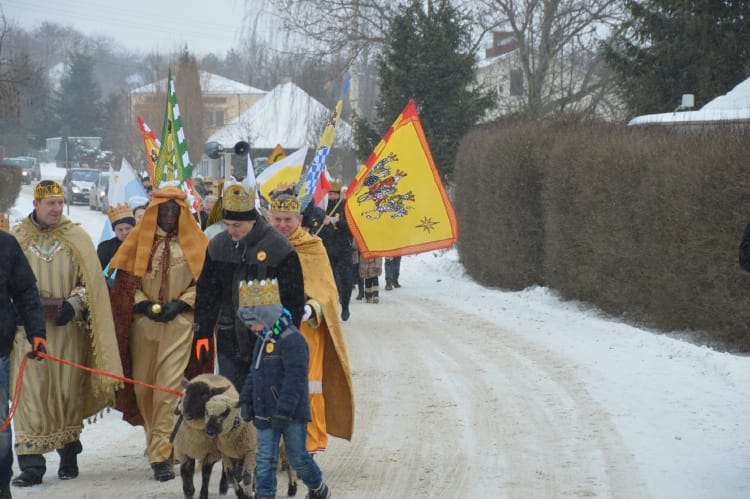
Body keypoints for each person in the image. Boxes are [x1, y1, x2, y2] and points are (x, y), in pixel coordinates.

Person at [10, 180, 122, 487]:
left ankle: (69, 452)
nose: (57, 209)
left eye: (60, 203)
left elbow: (91, 284)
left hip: (67, 332)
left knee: (65, 393)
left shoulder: (78, 237)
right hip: (27, 335)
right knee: (30, 397)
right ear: (36, 205)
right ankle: (31, 465)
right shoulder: (16, 239)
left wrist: (73, 304)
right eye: (50, 204)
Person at [108, 185, 210, 482]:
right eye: (162, 211)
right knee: (144, 389)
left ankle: (160, 456)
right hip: (144, 327)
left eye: (173, 211)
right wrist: (143, 304)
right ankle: (162, 444)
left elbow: (204, 284)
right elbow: (125, 285)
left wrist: (181, 304)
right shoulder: (139, 244)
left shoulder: (196, 243)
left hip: (180, 324)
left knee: (168, 389)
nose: (167, 216)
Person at [194, 182, 305, 393]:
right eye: (227, 224)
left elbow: (294, 299)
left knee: (264, 400)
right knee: (232, 400)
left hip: (268, 340)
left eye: (237, 225)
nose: (231, 230)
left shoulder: (279, 248)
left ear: (252, 221)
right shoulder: (218, 246)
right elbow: (207, 293)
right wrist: (202, 332)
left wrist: (289, 340)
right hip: (229, 339)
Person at [269, 192, 354, 455]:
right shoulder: (263, 246)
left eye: (288, 219)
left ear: (299, 218)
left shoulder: (312, 247)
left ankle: (308, 442)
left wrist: (310, 308)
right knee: (272, 385)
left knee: (308, 384)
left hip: (305, 329)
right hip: (269, 328)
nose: (282, 225)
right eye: (277, 219)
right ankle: (276, 444)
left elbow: (328, 293)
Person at [236, 278, 331, 499]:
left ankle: (317, 486)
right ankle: (265, 495)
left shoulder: (293, 340)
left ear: (268, 314)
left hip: (291, 414)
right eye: (249, 323)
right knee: (265, 458)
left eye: (255, 321)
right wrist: (245, 400)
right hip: (264, 410)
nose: (253, 328)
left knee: (297, 457)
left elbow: (295, 380)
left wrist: (284, 410)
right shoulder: (262, 340)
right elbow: (254, 372)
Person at [0, 224, 47, 498]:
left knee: (0, 429)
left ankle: (1, 484)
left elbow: (26, 292)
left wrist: (36, 332)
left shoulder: (6, 245)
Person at [318, 181, 355, 321]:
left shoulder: (346, 208)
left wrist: (337, 222)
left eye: (334, 194)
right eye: (330, 194)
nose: (332, 196)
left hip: (344, 249)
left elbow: (351, 228)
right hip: (327, 250)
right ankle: (332, 306)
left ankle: (345, 306)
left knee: (347, 280)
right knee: (333, 280)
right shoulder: (322, 208)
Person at [97, 203, 136, 270]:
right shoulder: (105, 248)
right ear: (114, 231)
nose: (124, 232)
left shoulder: (143, 245)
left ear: (134, 228)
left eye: (127, 228)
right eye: (120, 230)